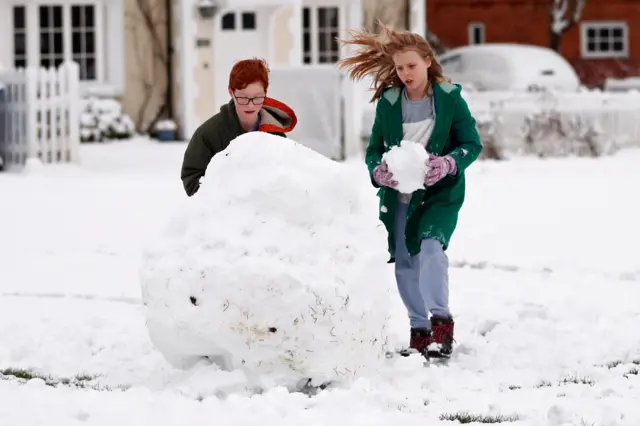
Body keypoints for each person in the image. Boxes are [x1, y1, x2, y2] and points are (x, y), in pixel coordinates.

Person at [338, 25, 482, 358]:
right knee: (404, 263)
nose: (405, 74)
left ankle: (441, 325)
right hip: (399, 196)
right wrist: (378, 171)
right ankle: (419, 330)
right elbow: (374, 149)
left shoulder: (449, 99)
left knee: (431, 249)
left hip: (439, 193)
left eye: (412, 66)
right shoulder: (389, 103)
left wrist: (448, 163)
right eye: (400, 68)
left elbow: (472, 144)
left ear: (428, 62)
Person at [180, 58, 297, 196]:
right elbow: (192, 178)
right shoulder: (208, 134)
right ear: (231, 93)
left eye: (257, 97)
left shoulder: (275, 133)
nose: (250, 105)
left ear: (265, 93)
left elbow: (286, 176)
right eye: (243, 98)